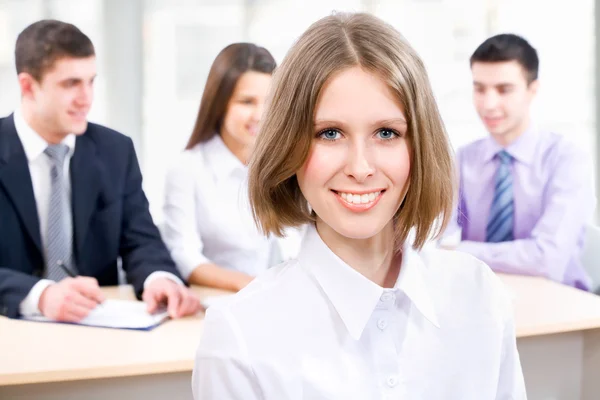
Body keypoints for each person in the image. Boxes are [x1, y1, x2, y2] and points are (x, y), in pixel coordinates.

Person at [192, 13, 525, 399]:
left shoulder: (480, 294)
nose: (360, 168)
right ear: (289, 146)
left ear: (419, 144)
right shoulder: (238, 334)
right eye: (329, 134)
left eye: (387, 133)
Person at [0, 20, 201, 322]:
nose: (86, 98)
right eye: (71, 84)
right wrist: (40, 295)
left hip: (97, 326)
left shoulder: (114, 151)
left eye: (91, 81)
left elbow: (141, 240)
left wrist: (159, 278)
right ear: (28, 86)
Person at [442, 34, 595, 290]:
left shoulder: (567, 160)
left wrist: (461, 250)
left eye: (504, 90)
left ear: (532, 90)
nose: (489, 104)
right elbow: (434, 240)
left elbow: (547, 258)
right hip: (481, 295)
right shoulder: (463, 159)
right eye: (479, 88)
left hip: (560, 301)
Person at [162, 43, 301, 292]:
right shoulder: (188, 169)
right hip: (213, 304)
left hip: (270, 301)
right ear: (220, 104)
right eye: (246, 102)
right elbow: (185, 257)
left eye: (269, 102)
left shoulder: (281, 167)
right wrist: (253, 286)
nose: (260, 115)